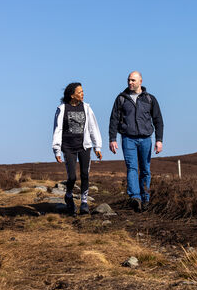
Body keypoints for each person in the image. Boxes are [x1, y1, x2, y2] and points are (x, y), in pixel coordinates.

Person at [109, 71, 164, 212]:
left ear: (140, 81)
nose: (130, 83)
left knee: (145, 169)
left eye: (133, 80)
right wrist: (112, 139)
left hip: (146, 139)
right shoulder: (121, 99)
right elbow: (114, 119)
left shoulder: (150, 99)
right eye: (128, 80)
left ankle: (146, 198)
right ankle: (135, 198)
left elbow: (158, 120)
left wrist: (159, 140)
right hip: (128, 139)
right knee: (132, 168)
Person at [52, 82, 103, 215]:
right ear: (72, 95)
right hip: (68, 147)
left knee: (85, 174)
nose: (82, 94)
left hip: (84, 146)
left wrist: (97, 146)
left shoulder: (86, 108)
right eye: (79, 92)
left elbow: (93, 127)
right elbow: (57, 130)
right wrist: (57, 149)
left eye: (82, 91)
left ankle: (84, 202)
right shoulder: (62, 109)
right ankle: (68, 195)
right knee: (72, 177)